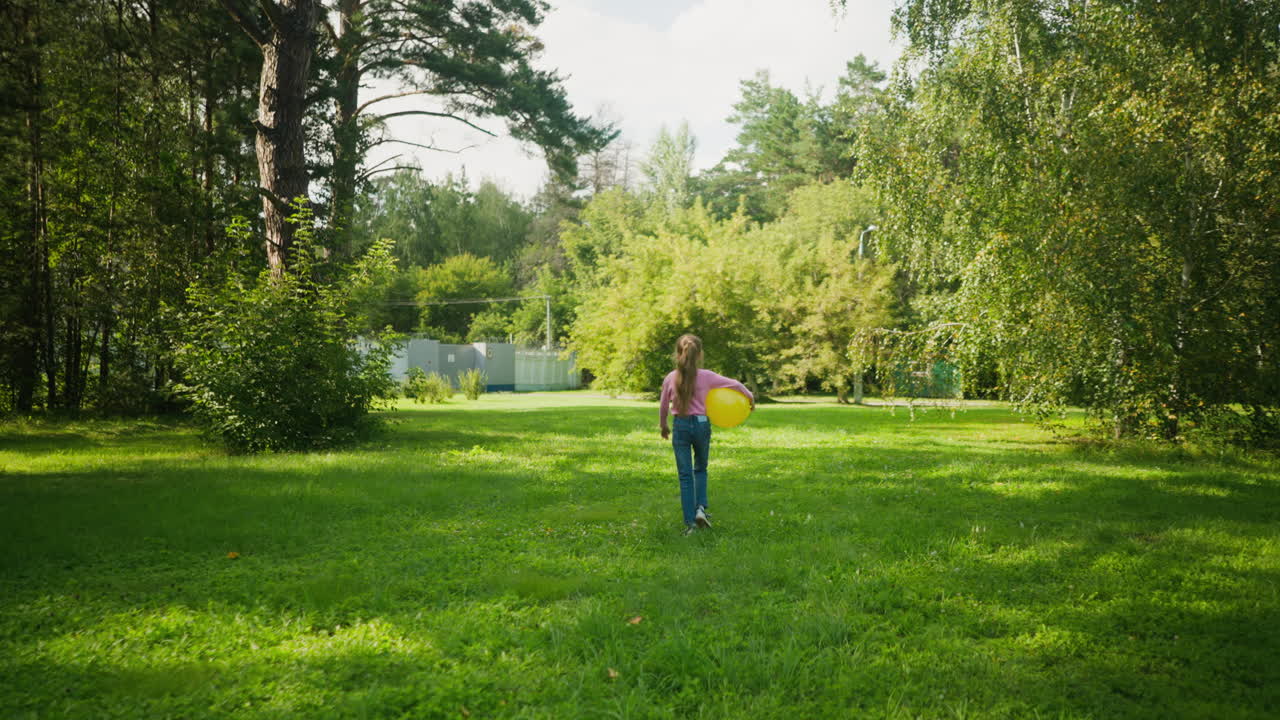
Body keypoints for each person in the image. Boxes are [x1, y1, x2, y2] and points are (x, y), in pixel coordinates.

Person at [659, 334, 754, 535]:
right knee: (700, 469)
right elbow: (735, 384)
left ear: (678, 353)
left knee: (685, 476)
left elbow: (662, 406)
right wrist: (750, 397)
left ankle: (690, 523)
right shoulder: (707, 376)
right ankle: (700, 509)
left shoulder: (670, 377)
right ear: (700, 354)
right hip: (702, 425)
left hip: (681, 425)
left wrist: (663, 426)